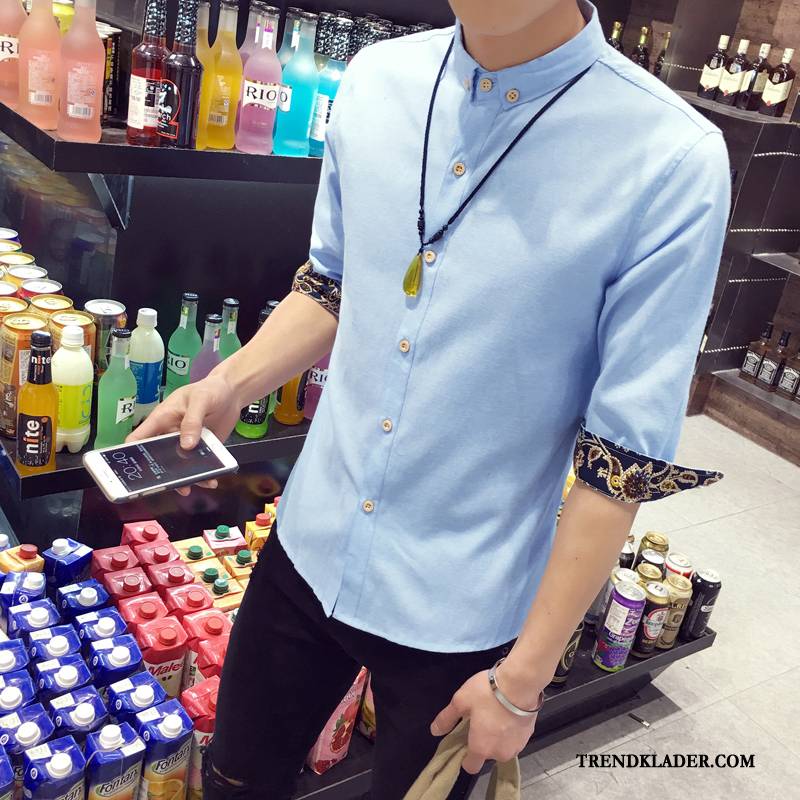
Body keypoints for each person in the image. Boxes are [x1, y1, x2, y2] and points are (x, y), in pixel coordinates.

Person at [132, 0, 729, 797]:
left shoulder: (668, 157)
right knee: (235, 782)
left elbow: (622, 458)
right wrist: (226, 383)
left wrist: (523, 681)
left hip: (462, 602)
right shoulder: (378, 80)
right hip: (309, 543)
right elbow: (334, 284)